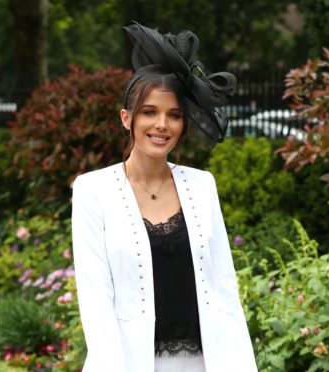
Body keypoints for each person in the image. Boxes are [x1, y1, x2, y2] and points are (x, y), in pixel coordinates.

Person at [72, 21, 257, 372]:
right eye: (149, 112)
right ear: (127, 118)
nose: (162, 125)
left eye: (174, 115)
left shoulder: (203, 185)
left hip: (204, 362)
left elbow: (224, 290)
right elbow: (96, 303)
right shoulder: (92, 191)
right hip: (130, 363)